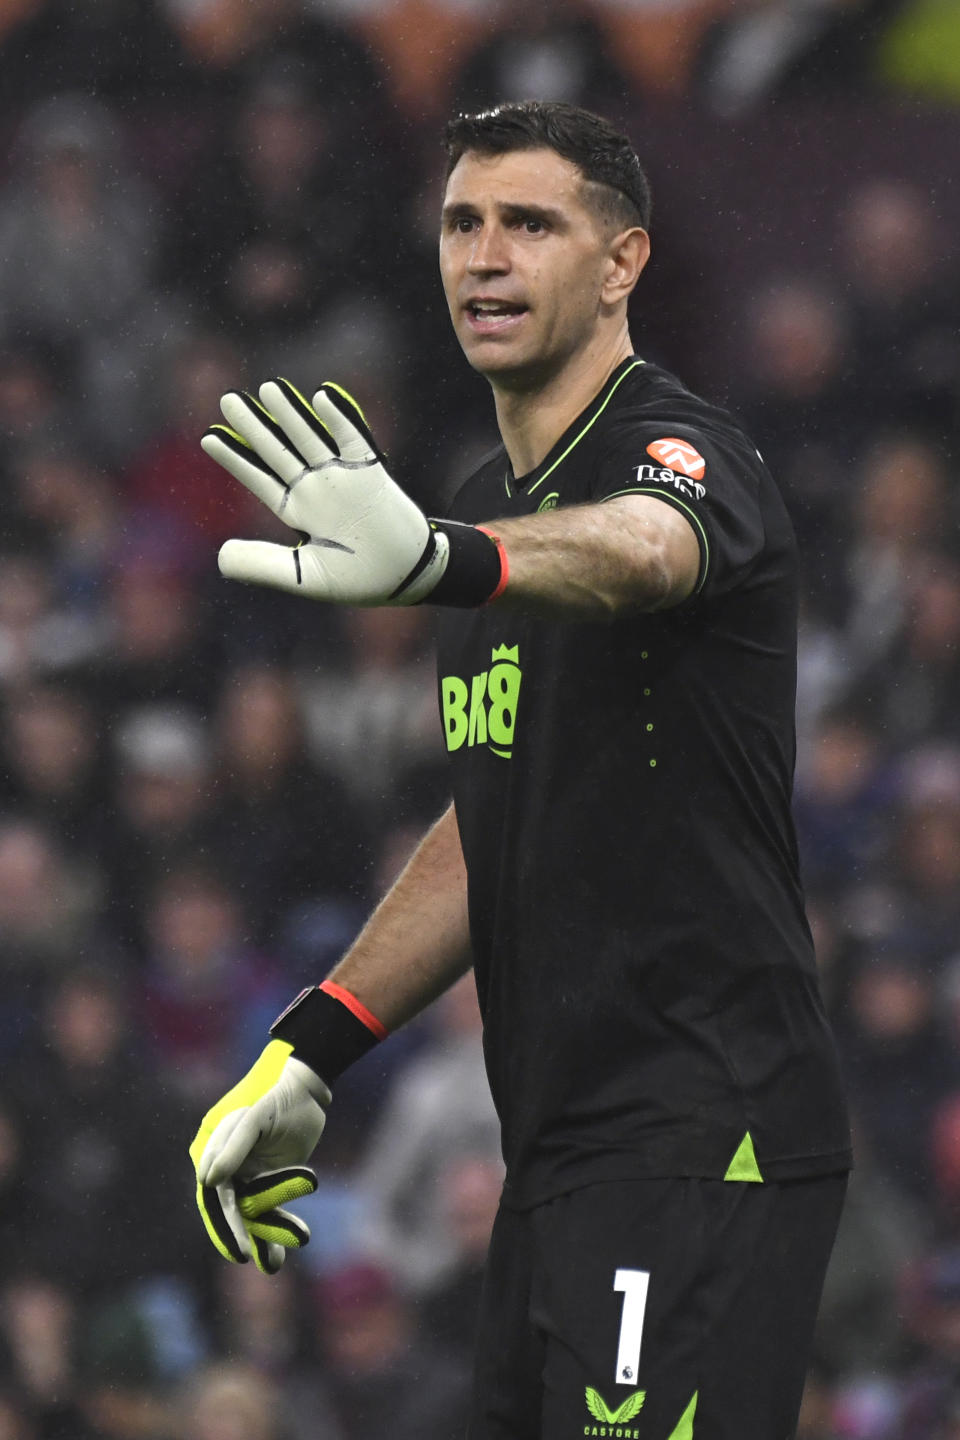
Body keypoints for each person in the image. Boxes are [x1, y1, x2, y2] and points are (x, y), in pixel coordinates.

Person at [190, 101, 852, 1440]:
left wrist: (449, 562)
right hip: (556, 1155)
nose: (485, 257)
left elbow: (650, 548)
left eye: (531, 224)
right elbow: (498, 808)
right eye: (461, 224)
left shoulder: (678, 449)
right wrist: (311, 1049)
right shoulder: (496, 493)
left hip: (700, 1131)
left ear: (622, 264)